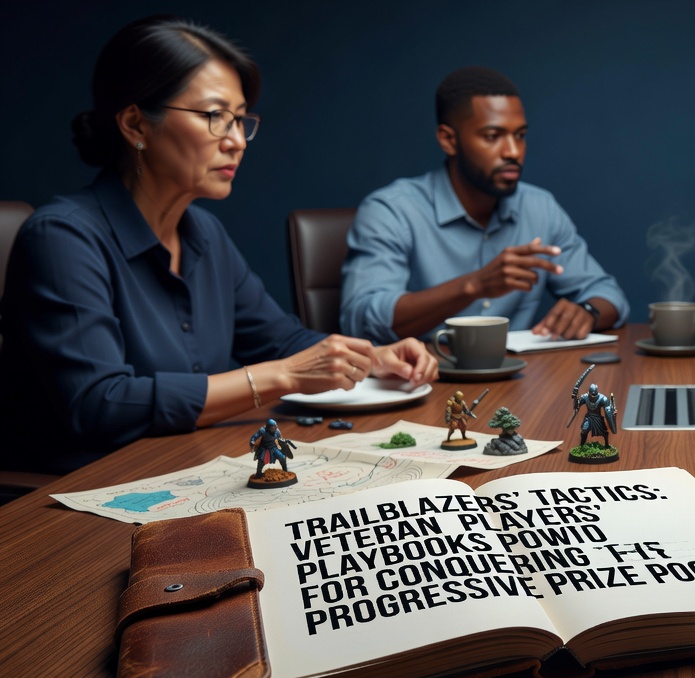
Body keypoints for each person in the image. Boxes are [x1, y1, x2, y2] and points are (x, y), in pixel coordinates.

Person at [0, 16, 436, 475]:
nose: (235, 142)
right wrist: (282, 377)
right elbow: (99, 403)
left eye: (240, 120)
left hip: (188, 467)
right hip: (75, 498)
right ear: (135, 125)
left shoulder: (204, 233)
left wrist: (371, 358)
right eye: (213, 117)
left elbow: (283, 341)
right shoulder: (62, 237)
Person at [340, 66, 628, 345]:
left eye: (520, 135)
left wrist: (587, 312)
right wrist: (474, 286)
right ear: (448, 140)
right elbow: (361, 319)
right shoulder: (392, 211)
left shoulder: (540, 208)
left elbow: (608, 294)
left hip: (521, 384)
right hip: (425, 383)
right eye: (492, 136)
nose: (513, 151)